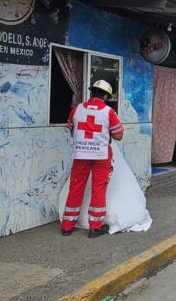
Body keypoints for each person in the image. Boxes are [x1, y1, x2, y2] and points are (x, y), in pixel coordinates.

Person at [61, 80, 124, 238]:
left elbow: (70, 129)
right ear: (105, 96)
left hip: (80, 155)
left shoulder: (77, 109)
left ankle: (67, 226)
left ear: (92, 93)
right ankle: (95, 227)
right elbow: (119, 135)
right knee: (99, 189)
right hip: (101, 156)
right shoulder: (109, 112)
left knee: (75, 188)